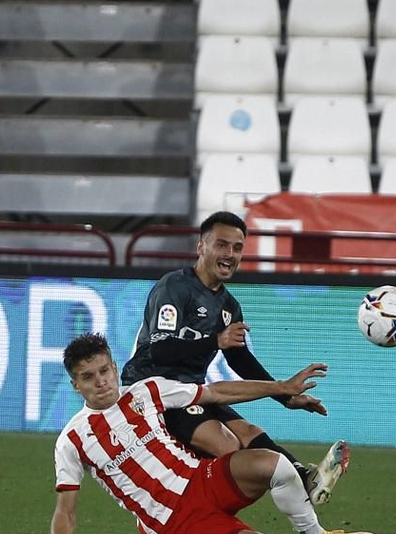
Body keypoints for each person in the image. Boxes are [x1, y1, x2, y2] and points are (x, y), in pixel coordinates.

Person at [34, 333, 396, 534]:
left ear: (114, 367)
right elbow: (66, 509)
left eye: (103, 371)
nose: (100, 381)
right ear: (75, 385)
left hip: (203, 478)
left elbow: (217, 391)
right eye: (87, 377)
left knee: (275, 464)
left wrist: (281, 388)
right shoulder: (73, 439)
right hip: (179, 520)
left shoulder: (149, 390)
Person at [121, 211, 349, 508]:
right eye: (222, 245)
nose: (230, 255)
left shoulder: (228, 306)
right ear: (201, 247)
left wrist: (286, 396)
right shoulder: (174, 287)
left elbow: (239, 359)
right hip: (151, 391)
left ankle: (305, 478)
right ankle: (194, 520)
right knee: (226, 445)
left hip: (192, 391)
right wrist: (215, 340)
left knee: (250, 433)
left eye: (237, 248)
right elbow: (160, 351)